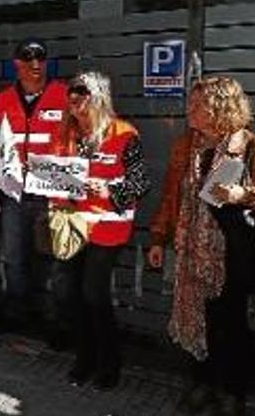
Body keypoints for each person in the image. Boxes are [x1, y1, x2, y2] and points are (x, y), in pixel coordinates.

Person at [147, 77, 255, 416]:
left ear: (220, 108)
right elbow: (172, 196)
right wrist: (158, 238)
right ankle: (202, 383)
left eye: (197, 105)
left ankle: (232, 392)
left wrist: (244, 195)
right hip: (190, 253)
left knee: (231, 326)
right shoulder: (186, 146)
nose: (189, 111)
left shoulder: (252, 147)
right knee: (197, 320)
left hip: (231, 256)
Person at [48, 72, 149, 391]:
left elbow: (140, 183)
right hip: (71, 224)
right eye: (70, 91)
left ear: (100, 95)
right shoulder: (63, 133)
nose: (73, 96)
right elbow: (52, 177)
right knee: (67, 293)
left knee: (94, 294)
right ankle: (85, 356)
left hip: (107, 226)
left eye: (81, 91)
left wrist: (106, 187)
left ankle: (109, 363)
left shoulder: (124, 133)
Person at [0, 38, 68, 333]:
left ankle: (55, 322)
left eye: (41, 58)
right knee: (13, 257)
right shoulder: (2, 99)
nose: (36, 64)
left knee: (53, 261)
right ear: (17, 64)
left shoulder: (64, 94)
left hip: (53, 192)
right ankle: (18, 317)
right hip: (15, 192)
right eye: (28, 58)